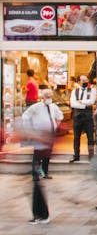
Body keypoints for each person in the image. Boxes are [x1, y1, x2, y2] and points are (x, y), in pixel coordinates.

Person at [22, 89, 63, 223]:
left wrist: (55, 125)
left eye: (51, 96)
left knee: (37, 184)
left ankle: (41, 215)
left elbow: (60, 116)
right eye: (47, 96)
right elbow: (25, 117)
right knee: (37, 182)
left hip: (46, 139)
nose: (49, 98)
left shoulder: (53, 107)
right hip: (40, 139)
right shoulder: (36, 108)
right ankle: (38, 171)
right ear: (43, 96)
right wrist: (31, 131)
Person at [69, 75, 96, 163]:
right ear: (79, 82)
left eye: (86, 80)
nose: (86, 81)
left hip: (88, 116)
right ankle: (76, 156)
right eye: (83, 80)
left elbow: (91, 102)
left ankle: (91, 156)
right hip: (77, 116)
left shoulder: (92, 90)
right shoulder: (74, 91)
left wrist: (80, 102)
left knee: (90, 137)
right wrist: (84, 105)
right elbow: (73, 104)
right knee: (76, 137)